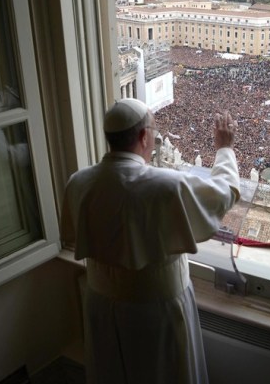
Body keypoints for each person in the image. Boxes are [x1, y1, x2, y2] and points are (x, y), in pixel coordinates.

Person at [62, 98, 240, 384]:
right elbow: (223, 193)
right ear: (145, 136)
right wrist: (224, 149)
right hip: (156, 313)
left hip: (100, 306)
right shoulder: (167, 185)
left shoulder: (78, 182)